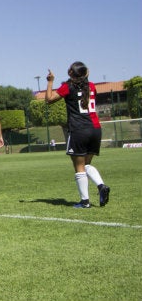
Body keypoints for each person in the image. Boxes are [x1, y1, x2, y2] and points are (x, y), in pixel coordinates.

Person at [45, 62, 110, 208]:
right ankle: (101, 186)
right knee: (86, 164)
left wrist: (50, 82)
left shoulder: (68, 87)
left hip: (79, 129)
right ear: (86, 73)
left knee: (79, 167)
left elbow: (49, 99)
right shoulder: (92, 86)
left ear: (70, 73)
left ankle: (85, 201)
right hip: (95, 129)